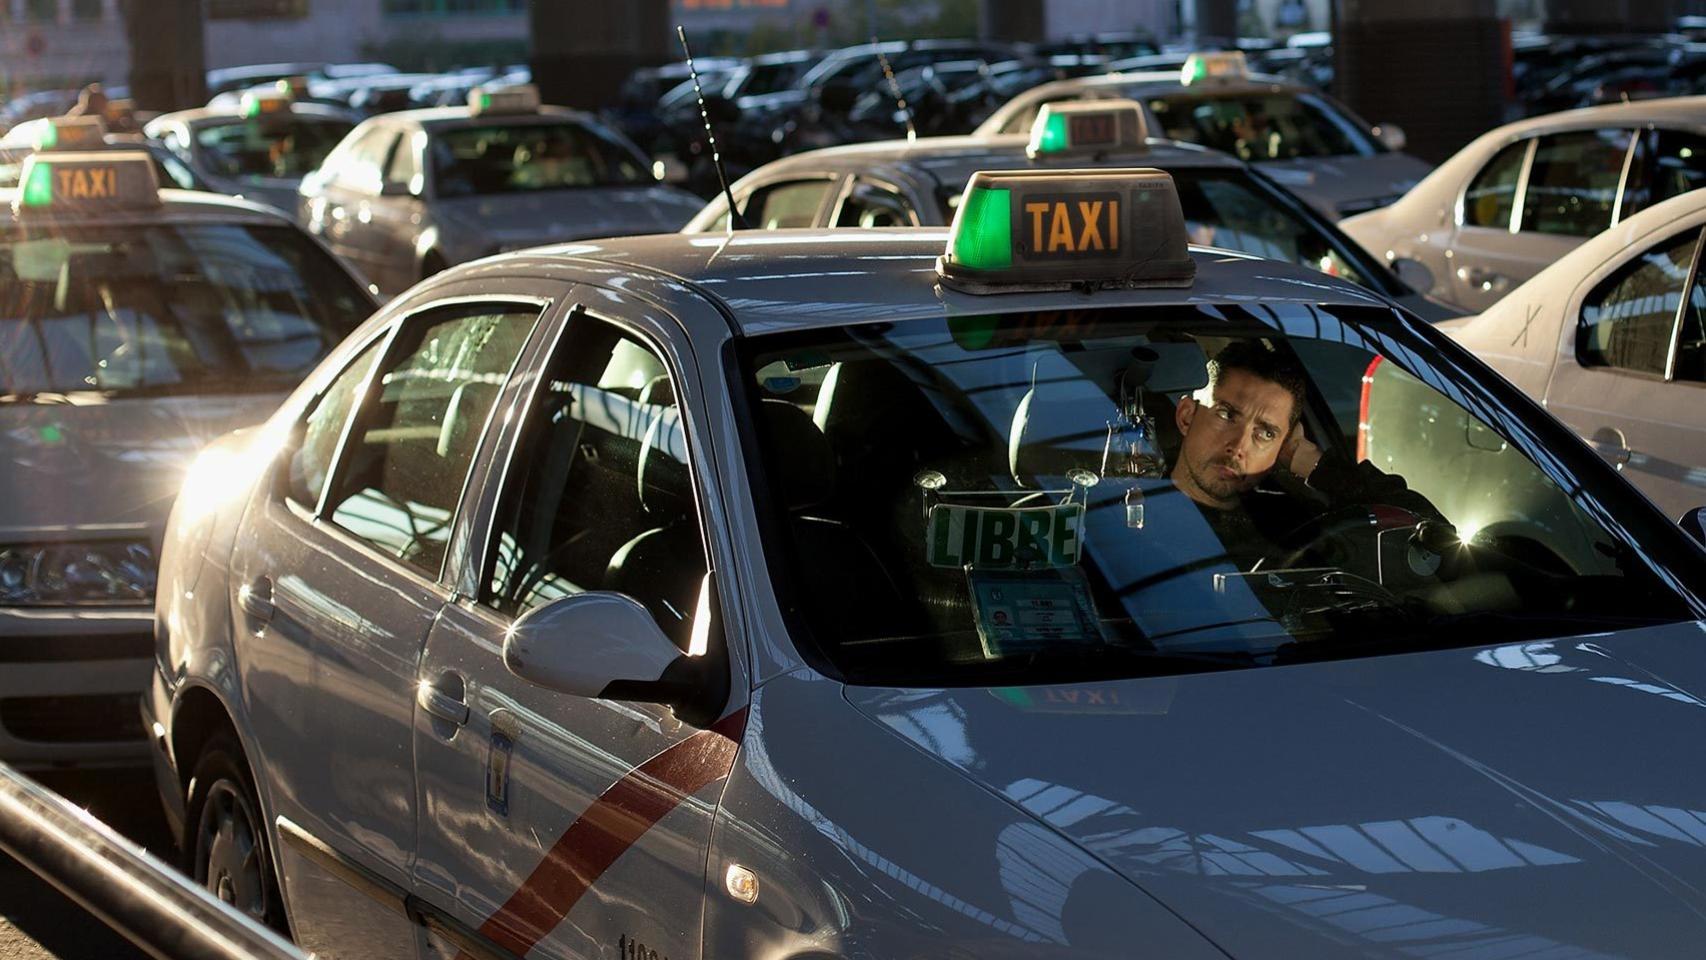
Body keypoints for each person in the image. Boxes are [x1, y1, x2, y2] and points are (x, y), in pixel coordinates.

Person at [1169, 339, 1441, 568]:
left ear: (1281, 448)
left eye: (1266, 434)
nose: (1239, 446)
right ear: (1186, 416)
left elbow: (1435, 540)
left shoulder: (1291, 521)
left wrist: (1315, 464)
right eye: (1226, 415)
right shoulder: (1133, 511)